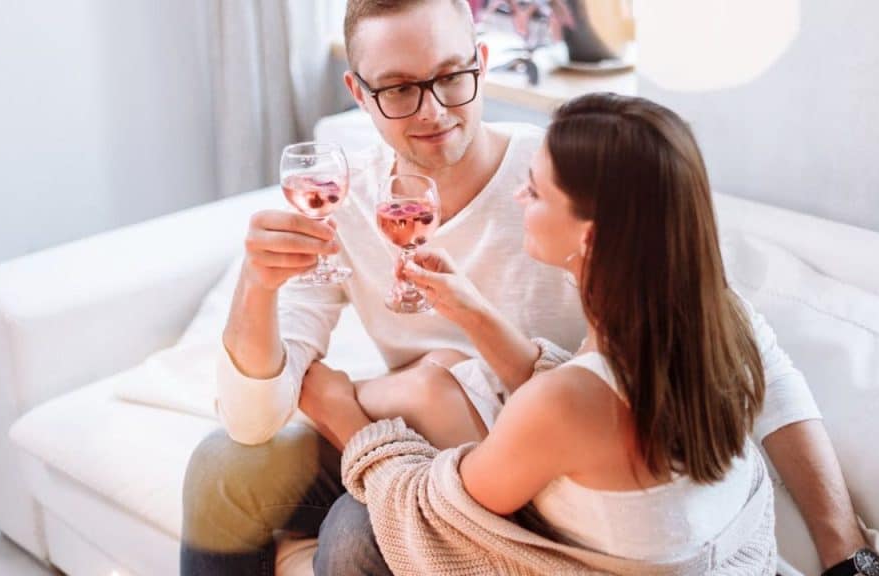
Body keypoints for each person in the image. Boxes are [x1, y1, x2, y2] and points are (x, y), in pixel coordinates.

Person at [180, 1, 871, 574]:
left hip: (528, 460)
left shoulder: (575, 182)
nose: (433, 110)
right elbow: (254, 418)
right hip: (460, 435)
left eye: (451, 75)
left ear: (481, 62)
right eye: (397, 88)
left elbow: (747, 356)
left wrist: (846, 547)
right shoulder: (344, 199)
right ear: (358, 93)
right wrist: (257, 287)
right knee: (221, 467)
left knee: (355, 532)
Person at [301, 92, 779, 574]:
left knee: (352, 528)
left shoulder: (567, 404)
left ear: (589, 236)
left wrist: (341, 415)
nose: (517, 196)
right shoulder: (717, 329)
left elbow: (433, 519)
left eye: (534, 191)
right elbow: (584, 399)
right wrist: (472, 311)